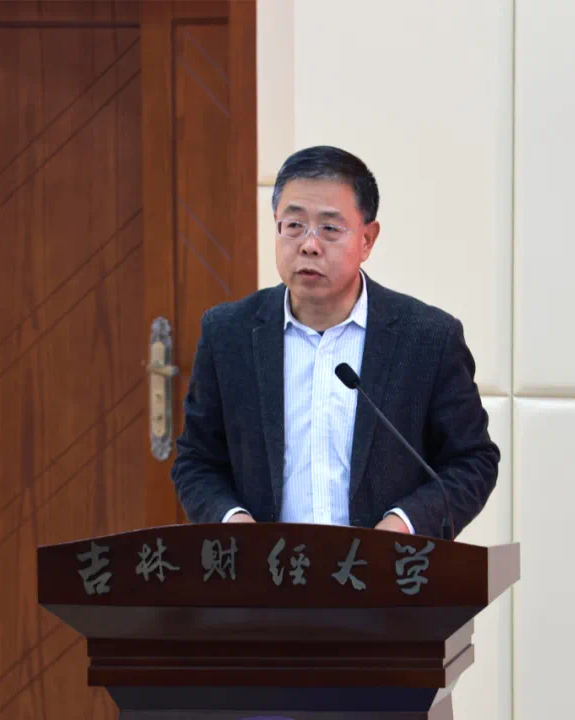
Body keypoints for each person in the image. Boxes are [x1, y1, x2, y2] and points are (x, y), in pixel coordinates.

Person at [170, 146, 500, 539]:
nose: (309, 245)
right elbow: (196, 461)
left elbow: (471, 461)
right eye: (294, 225)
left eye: (329, 228)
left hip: (384, 570)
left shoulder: (428, 338)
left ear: (367, 239)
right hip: (263, 570)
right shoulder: (228, 333)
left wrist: (404, 525)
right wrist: (235, 526)